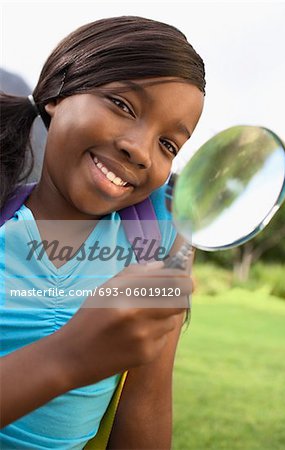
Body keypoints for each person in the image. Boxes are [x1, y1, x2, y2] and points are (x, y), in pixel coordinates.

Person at [0, 16, 205, 449]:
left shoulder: (153, 242)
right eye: (123, 105)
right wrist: (70, 357)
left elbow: (146, 406)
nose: (141, 150)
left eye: (168, 144)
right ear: (58, 92)